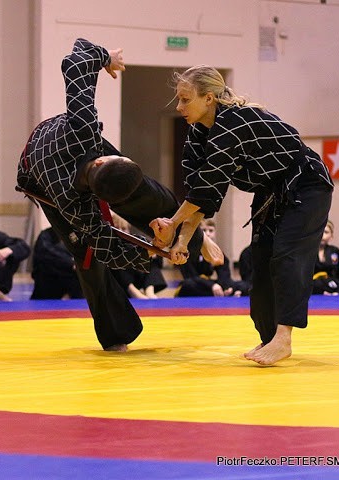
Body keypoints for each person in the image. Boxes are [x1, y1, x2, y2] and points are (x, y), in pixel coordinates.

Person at [17, 38, 223, 351]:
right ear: (101, 160)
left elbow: (74, 60)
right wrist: (158, 253)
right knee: (86, 254)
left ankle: (195, 237)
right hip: (39, 177)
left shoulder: (84, 128)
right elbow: (105, 243)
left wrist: (105, 57)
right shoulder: (73, 201)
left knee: (147, 192)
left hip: (72, 147)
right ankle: (116, 334)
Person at [150, 65, 334, 365]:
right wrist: (183, 240)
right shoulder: (197, 137)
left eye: (185, 99)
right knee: (260, 261)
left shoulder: (234, 122)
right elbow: (203, 194)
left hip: (306, 183)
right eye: (178, 100)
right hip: (269, 191)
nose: (179, 107)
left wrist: (172, 223)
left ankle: (284, 338)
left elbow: (203, 190)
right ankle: (268, 339)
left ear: (209, 98)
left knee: (287, 255)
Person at [110, 214, 167, 299]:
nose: (121, 231)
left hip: (138, 277)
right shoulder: (109, 245)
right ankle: (133, 292)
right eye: (118, 229)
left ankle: (149, 289)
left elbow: (157, 259)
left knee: (151, 260)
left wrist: (150, 254)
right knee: (118, 262)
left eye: (124, 229)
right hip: (121, 283)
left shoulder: (135, 242)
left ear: (129, 230)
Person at [176, 219, 236, 297]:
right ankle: (216, 293)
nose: (207, 234)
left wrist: (225, 286)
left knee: (238, 285)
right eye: (204, 230)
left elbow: (223, 272)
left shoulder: (216, 252)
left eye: (211, 231)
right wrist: (212, 285)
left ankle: (223, 292)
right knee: (188, 285)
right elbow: (191, 276)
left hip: (209, 284)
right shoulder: (187, 251)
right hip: (195, 283)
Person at [30, 226, 83, 300]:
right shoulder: (46, 235)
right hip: (50, 278)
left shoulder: (72, 235)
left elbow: (80, 250)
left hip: (70, 278)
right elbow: (46, 253)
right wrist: (71, 263)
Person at [312, 220, 339, 295]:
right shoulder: (308, 251)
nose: (322, 235)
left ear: (331, 236)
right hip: (313, 283)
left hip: (331, 282)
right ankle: (323, 291)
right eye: (320, 231)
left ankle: (334, 290)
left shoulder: (335, 251)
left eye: (326, 232)